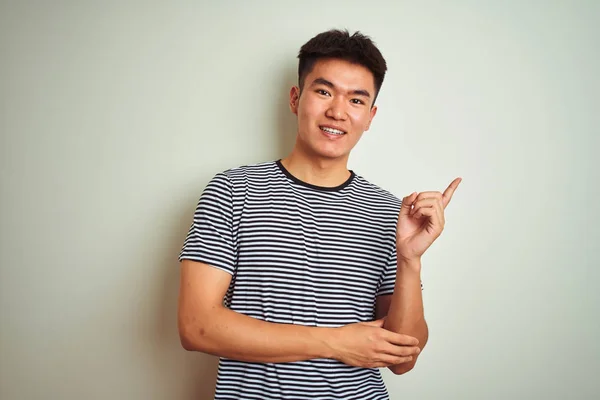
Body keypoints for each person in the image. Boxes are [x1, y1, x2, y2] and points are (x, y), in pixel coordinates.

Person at [177, 29, 461, 400]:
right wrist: (335, 343)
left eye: (356, 100)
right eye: (324, 91)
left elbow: (402, 357)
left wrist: (410, 259)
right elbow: (196, 326)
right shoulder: (233, 191)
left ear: (370, 116)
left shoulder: (390, 211)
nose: (337, 112)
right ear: (296, 98)